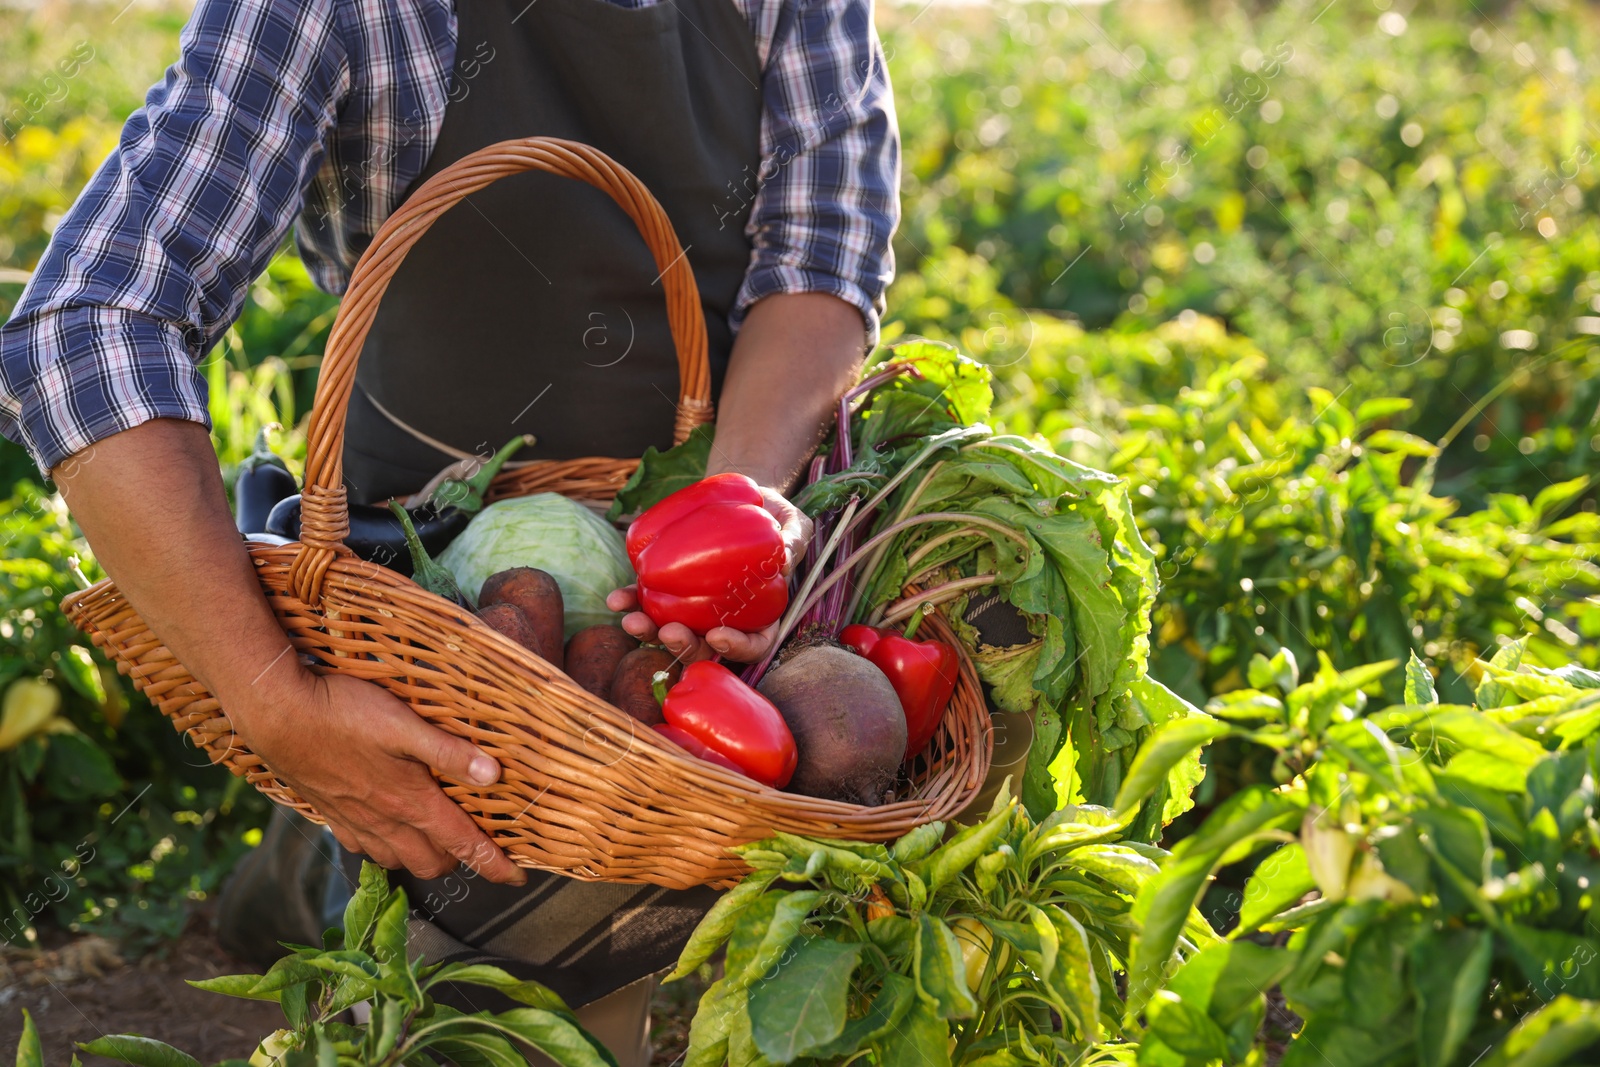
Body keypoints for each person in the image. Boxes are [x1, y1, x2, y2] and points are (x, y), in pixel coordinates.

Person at [0, 0, 897, 1061]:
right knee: (487, 1000)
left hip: (708, 508)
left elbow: (819, 254)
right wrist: (272, 699)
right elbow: (93, 321)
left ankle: (316, 840)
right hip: (429, 567)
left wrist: (726, 535)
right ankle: (318, 828)